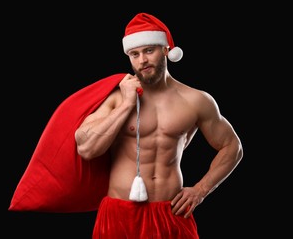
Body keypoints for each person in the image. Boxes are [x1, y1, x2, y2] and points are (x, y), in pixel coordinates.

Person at [75, 12, 243, 238]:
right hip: (120, 212)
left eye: (149, 51)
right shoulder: (115, 98)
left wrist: (201, 190)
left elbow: (232, 147)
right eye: (134, 54)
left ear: (166, 50)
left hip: (171, 212)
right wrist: (126, 104)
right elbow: (86, 148)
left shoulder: (196, 100)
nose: (142, 60)